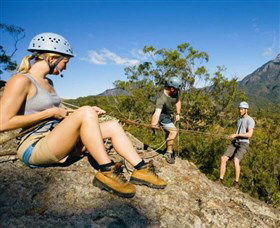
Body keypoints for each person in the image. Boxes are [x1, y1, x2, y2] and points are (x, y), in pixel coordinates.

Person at [0, 32, 167, 198]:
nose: (65, 67)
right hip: (35, 146)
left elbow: (57, 115)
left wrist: (84, 114)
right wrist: (52, 112)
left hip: (56, 138)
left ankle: (141, 169)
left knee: (112, 126)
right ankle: (107, 171)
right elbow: (3, 123)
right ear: (52, 59)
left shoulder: (48, 82)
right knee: (85, 111)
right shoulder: (21, 81)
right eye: (65, 62)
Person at [218, 101, 255, 188]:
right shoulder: (239, 120)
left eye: (242, 109)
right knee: (223, 158)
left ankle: (236, 183)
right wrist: (230, 136)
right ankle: (220, 180)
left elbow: (249, 134)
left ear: (246, 110)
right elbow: (238, 132)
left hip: (244, 143)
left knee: (236, 160)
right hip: (235, 142)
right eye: (239, 109)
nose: (240, 111)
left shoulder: (250, 120)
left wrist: (236, 135)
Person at [151, 76, 182, 164]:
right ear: (172, 88)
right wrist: (153, 126)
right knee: (173, 131)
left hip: (169, 115)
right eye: (177, 90)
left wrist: (178, 113)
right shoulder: (161, 98)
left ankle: (167, 149)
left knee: (169, 132)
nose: (177, 91)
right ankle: (169, 153)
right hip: (161, 116)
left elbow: (178, 101)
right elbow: (156, 113)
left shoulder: (174, 93)